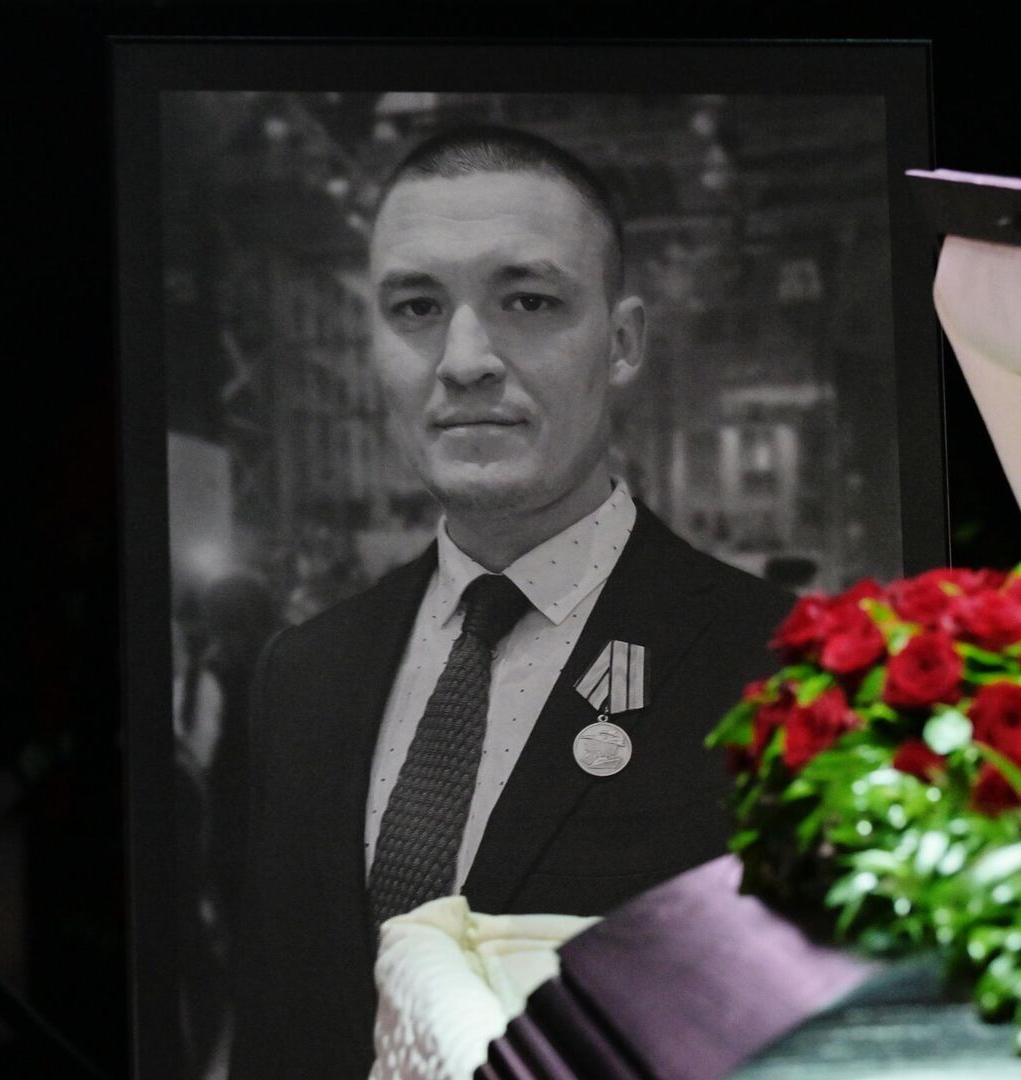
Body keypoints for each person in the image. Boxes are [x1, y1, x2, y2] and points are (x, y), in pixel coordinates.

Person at [231, 126, 793, 1080]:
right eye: (416, 307)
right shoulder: (307, 674)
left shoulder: (772, 666)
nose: (465, 360)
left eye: (528, 301)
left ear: (622, 342)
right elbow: (281, 1026)